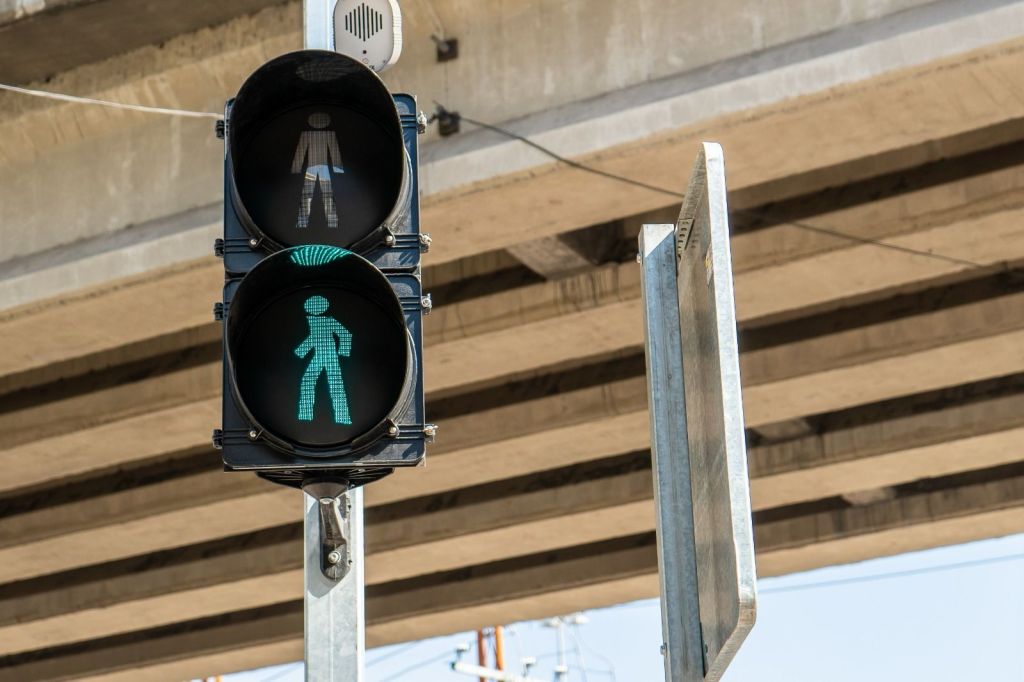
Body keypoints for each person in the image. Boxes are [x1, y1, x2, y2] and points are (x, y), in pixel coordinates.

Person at [295, 295, 352, 424]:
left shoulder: (329, 321)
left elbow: (346, 334)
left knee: (335, 385)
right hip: (320, 355)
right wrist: (301, 351)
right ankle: (305, 415)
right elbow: (314, 338)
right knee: (308, 381)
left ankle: (342, 416)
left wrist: (343, 352)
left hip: (330, 355)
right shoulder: (314, 322)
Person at [292, 112, 344, 230]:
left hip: (315, 168)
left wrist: (296, 168)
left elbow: (334, 150)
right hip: (316, 168)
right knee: (315, 195)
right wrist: (338, 168)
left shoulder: (326, 134)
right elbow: (301, 150)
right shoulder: (312, 134)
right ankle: (306, 222)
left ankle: (326, 222)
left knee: (311, 195)